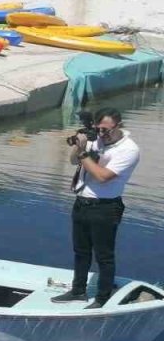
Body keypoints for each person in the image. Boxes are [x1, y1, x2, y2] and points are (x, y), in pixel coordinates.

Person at [53, 108, 140, 308]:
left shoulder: (128, 149)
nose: (101, 134)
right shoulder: (95, 138)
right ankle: (78, 290)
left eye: (105, 130)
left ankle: (102, 297)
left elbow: (102, 176)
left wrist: (84, 152)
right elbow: (74, 160)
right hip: (82, 203)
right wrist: (80, 146)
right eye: (98, 129)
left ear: (118, 125)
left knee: (104, 256)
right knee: (81, 251)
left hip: (105, 207)